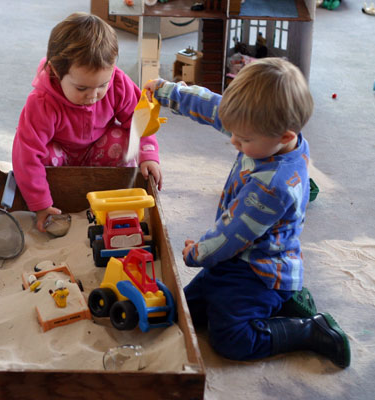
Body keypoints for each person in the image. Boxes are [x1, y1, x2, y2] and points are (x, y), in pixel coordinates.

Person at [144, 58, 350, 368]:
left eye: (244, 139)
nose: (233, 141)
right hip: (236, 261)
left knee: (230, 340)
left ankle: (309, 329)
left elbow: (231, 235)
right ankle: (287, 303)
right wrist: (168, 92)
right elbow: (217, 108)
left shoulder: (272, 186)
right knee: (183, 310)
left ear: (285, 135)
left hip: (259, 270)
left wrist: (196, 254)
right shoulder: (266, 130)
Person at [12, 12, 162, 232]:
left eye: (103, 85)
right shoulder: (42, 103)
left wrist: (149, 155)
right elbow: (25, 154)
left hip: (98, 151)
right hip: (60, 156)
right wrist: (40, 204)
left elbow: (141, 118)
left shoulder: (118, 82)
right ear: (55, 71)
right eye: (82, 88)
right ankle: (54, 198)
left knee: (122, 139)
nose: (94, 95)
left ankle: (118, 198)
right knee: (41, 154)